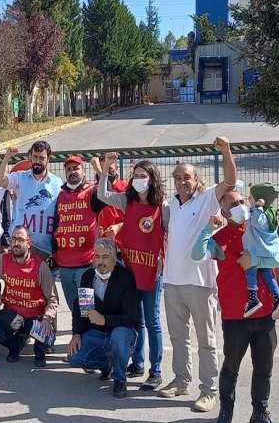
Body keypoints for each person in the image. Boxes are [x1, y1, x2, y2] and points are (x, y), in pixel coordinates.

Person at [157, 137, 237, 413]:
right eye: (178, 177)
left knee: (206, 341)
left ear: (196, 179)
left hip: (200, 284)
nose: (182, 181)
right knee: (179, 338)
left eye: (187, 177)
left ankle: (209, 390)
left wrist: (226, 151)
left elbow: (230, 180)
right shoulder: (172, 205)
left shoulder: (206, 199)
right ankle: (181, 380)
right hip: (172, 282)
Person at [191, 190, 278, 423]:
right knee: (231, 367)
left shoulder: (260, 229)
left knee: (263, 367)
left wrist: (257, 260)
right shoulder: (220, 240)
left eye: (242, 201)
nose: (240, 206)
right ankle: (226, 411)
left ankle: (260, 411)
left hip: (266, 311)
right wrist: (208, 229)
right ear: (224, 211)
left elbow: (277, 257)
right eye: (233, 204)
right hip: (235, 315)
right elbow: (197, 254)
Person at [98, 154, 169, 391]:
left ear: (152, 179)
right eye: (136, 176)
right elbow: (102, 195)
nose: (139, 180)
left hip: (151, 272)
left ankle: (155, 370)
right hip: (130, 271)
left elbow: (171, 233)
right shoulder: (126, 200)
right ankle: (137, 363)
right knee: (136, 319)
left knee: (152, 321)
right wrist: (106, 168)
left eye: (143, 176)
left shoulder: (162, 207)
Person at [67, 238, 139, 399]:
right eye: (97, 257)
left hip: (121, 331)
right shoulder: (88, 276)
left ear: (114, 259)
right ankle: (106, 365)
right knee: (73, 357)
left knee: (119, 337)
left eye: (105, 257)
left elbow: (131, 318)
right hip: (97, 333)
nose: (101, 262)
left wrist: (105, 320)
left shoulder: (125, 278)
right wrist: (76, 333)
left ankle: (120, 379)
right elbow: (81, 309)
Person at [0, 225, 58, 366]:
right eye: (13, 239)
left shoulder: (40, 266)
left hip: (35, 317)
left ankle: (40, 351)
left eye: (20, 239)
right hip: (12, 315)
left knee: (48, 339)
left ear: (29, 243)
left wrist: (47, 318)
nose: (16, 243)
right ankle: (15, 345)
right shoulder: (3, 260)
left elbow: (53, 299)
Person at [52, 154, 108, 313]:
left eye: (76, 168)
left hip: (86, 265)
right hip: (64, 266)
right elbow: (56, 225)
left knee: (87, 310)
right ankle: (78, 336)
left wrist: (99, 170)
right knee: (74, 309)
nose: (72, 172)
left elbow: (107, 193)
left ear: (83, 170)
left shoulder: (92, 191)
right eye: (69, 169)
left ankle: (87, 337)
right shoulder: (60, 195)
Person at [0, 142, 63, 260]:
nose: (37, 161)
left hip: (45, 250)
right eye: (35, 156)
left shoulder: (57, 183)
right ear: (30, 157)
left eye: (41, 158)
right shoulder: (20, 178)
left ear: (48, 159)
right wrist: (7, 158)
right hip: (20, 246)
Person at [241, 182, 279, 319]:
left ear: (261, 199)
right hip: (268, 251)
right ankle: (277, 298)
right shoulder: (271, 212)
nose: (249, 199)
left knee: (250, 271)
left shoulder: (261, 214)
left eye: (251, 197)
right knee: (268, 274)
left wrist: (257, 207)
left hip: (257, 251)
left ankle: (253, 299)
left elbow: (256, 222)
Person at [91, 153, 127, 244]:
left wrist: (119, 226)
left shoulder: (126, 188)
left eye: (109, 169)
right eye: (103, 170)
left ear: (117, 167)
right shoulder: (95, 189)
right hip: (104, 241)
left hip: (124, 240)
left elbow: (133, 217)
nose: (105, 173)